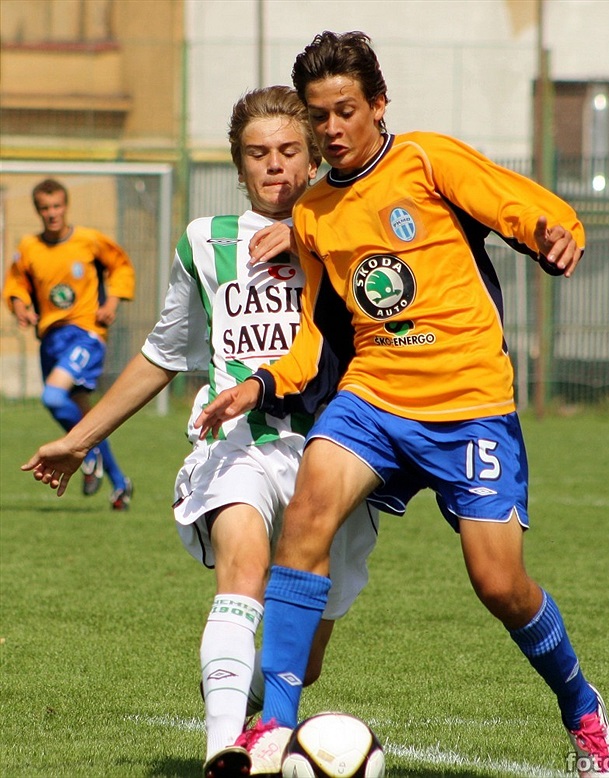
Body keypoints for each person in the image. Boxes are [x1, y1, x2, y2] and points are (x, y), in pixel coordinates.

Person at [196, 31, 609, 778]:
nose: (331, 129)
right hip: (375, 397)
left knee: (501, 584)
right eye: (320, 116)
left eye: (346, 111)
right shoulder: (316, 210)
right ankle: (272, 726)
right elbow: (317, 333)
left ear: (378, 105)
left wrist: (559, 235)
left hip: (469, 402)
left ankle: (583, 710)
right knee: (309, 506)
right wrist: (262, 384)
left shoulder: (426, 161)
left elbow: (530, 209)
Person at [21, 86, 380, 778]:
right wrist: (79, 438)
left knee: (302, 655)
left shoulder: (345, 233)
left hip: (332, 453)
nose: (274, 166)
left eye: (287, 151)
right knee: (241, 564)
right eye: (257, 154)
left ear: (310, 159)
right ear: (238, 167)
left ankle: (244, 700)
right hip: (236, 443)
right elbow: (162, 354)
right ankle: (223, 750)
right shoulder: (204, 241)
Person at [3, 178, 135, 509]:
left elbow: (120, 266)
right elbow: (16, 283)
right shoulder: (29, 248)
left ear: (66, 206)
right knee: (88, 418)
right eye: (45, 208)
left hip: (85, 334)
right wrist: (21, 308)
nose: (52, 214)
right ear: (37, 210)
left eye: (57, 206)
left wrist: (112, 304)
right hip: (51, 339)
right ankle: (120, 483)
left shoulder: (89, 241)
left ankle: (87, 452)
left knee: (52, 396)